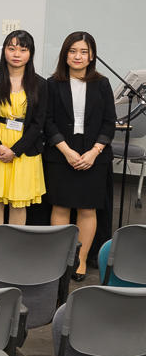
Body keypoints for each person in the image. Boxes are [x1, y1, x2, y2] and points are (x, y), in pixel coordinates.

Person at [44, 31, 115, 281]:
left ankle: (81, 259)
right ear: (65, 54)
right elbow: (48, 122)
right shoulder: (52, 84)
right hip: (61, 151)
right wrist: (66, 150)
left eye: (84, 51)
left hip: (94, 153)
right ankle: (59, 258)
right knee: (61, 206)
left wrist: (95, 152)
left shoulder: (102, 83)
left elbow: (109, 123)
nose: (78, 56)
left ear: (92, 55)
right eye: (73, 51)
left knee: (87, 208)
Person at [0, 30, 47, 228]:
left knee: (19, 203)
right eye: (12, 48)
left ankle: (14, 250)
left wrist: (15, 151)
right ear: (4, 51)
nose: (17, 54)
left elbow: (38, 124)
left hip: (24, 150)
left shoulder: (40, 84)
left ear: (30, 53)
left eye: (23, 50)